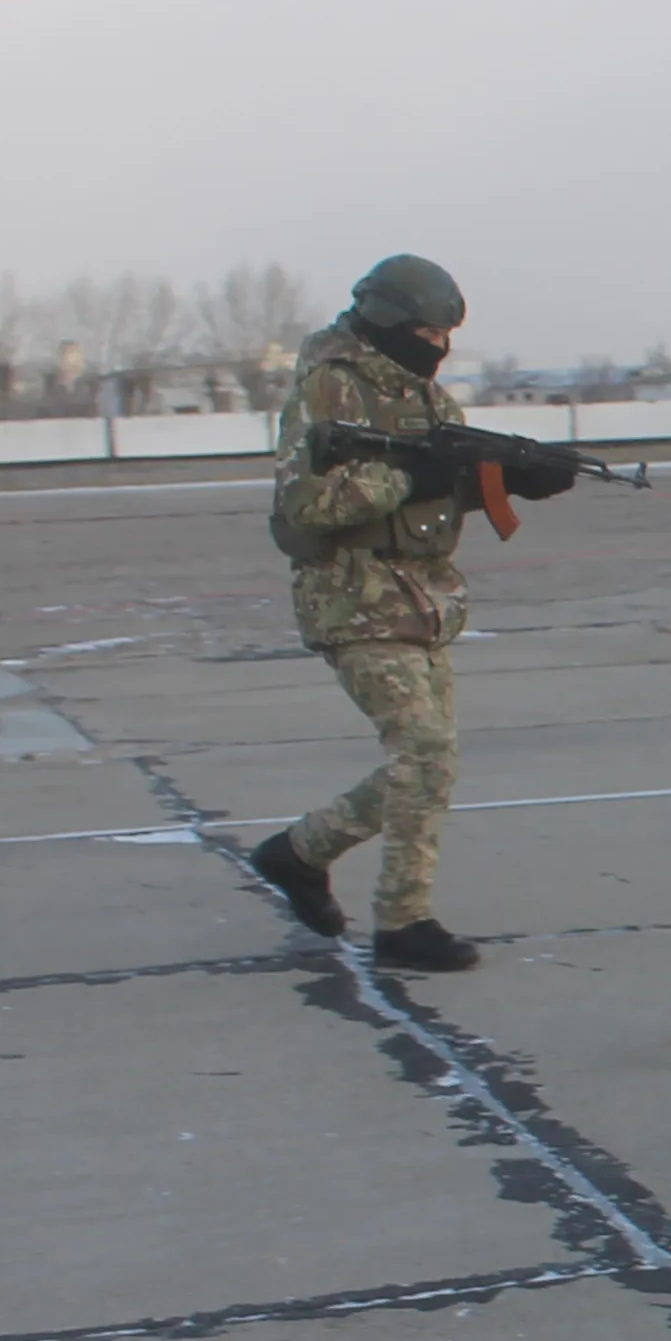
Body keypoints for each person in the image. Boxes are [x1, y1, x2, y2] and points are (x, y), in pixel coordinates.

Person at [246, 255, 573, 970]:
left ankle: (301, 854)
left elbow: (454, 479)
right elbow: (303, 506)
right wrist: (404, 475)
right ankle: (399, 923)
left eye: (445, 332)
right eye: (425, 330)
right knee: (425, 755)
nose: (438, 344)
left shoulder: (426, 398)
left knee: (433, 763)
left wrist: (518, 476)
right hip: (352, 598)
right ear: (390, 323)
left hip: (422, 599)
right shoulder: (327, 388)